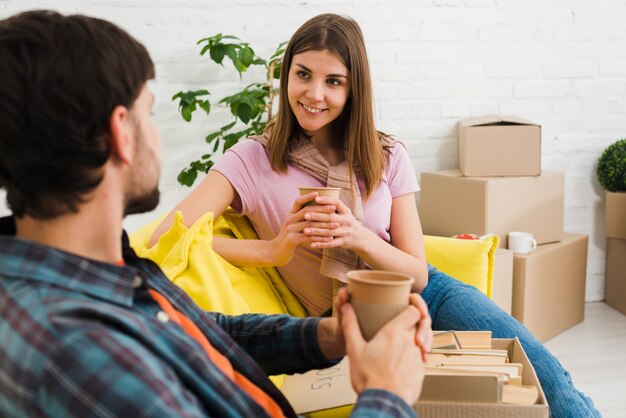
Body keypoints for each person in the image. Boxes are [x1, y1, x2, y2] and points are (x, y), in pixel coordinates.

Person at [151, 13, 601, 417]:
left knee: (545, 378)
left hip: (424, 295)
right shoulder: (253, 158)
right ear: (286, 75)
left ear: (354, 87)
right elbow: (165, 236)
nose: (313, 93)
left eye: (334, 81)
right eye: (303, 74)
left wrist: (358, 236)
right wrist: (274, 248)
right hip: (340, 320)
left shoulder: (386, 154)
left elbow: (417, 273)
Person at [0, 10, 432, 418]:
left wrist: (325, 336)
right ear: (120, 133)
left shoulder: (91, 272)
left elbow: (188, 326)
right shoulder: (80, 350)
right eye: (149, 112)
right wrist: (387, 395)